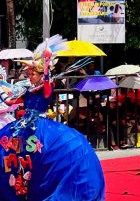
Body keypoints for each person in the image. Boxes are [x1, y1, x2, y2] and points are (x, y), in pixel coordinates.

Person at [0, 36, 105, 200]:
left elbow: (48, 85)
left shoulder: (46, 88)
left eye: (33, 73)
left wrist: (47, 66)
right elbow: (10, 101)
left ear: (42, 74)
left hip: (40, 127)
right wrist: (2, 91)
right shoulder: (27, 92)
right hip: (21, 127)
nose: (29, 75)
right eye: (29, 72)